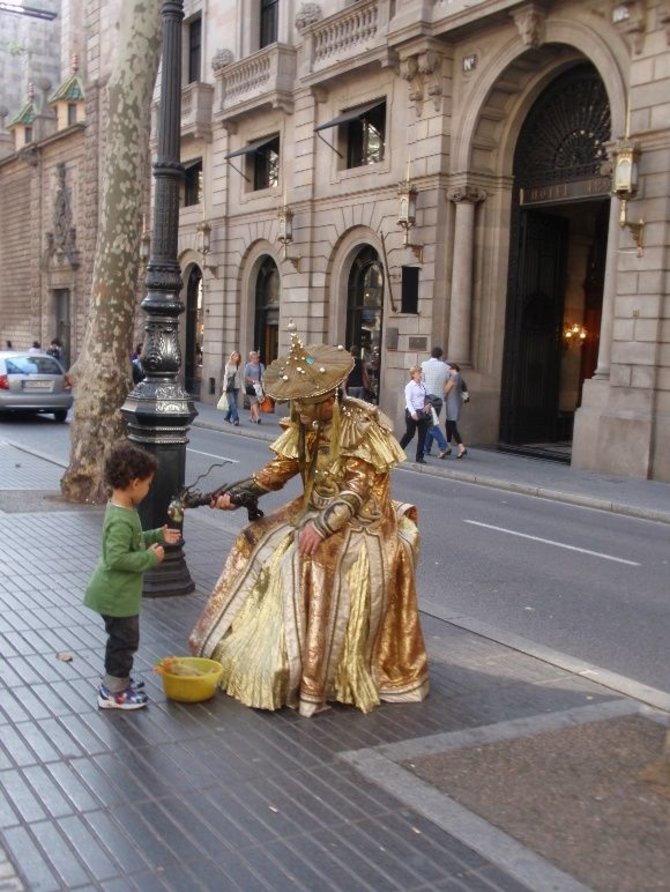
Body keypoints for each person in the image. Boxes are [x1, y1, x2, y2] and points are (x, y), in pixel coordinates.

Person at [189, 324, 429, 717]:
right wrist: (236, 494)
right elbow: (276, 471)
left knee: (312, 562)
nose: (296, 411)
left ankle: (311, 675)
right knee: (253, 538)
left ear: (327, 396)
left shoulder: (361, 425)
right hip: (310, 508)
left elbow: (357, 489)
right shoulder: (303, 424)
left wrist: (321, 527)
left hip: (362, 523)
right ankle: (249, 646)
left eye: (303, 402)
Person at [83, 442, 180, 710]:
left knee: (123, 641)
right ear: (134, 483)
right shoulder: (120, 518)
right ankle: (113, 693)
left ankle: (119, 682)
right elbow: (116, 558)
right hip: (115, 596)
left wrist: (158, 535)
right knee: (124, 642)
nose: (149, 490)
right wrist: (151, 557)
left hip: (119, 594)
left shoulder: (123, 510)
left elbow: (134, 541)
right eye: (148, 484)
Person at [398, 365, 431, 464]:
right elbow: (408, 401)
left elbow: (429, 397)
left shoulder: (424, 385)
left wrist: (428, 405)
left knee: (423, 434)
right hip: (411, 412)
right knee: (410, 434)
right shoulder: (410, 386)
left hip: (422, 413)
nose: (420, 374)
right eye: (418, 373)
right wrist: (413, 413)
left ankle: (419, 457)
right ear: (413, 375)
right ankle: (398, 452)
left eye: (421, 372)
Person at [421, 347, 450, 455]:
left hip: (428, 398)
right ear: (441, 355)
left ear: (431, 354)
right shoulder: (446, 367)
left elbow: (421, 382)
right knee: (431, 422)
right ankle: (426, 448)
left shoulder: (424, 365)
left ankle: (443, 446)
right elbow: (447, 381)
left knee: (430, 424)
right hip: (439, 399)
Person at [444, 362, 468, 458]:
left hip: (452, 405)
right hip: (456, 404)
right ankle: (448, 445)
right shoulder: (460, 377)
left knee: (452, 426)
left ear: (452, 368)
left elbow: (445, 390)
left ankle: (461, 447)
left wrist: (443, 382)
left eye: (448, 369)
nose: (447, 371)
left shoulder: (453, 377)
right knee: (448, 425)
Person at [424, 394, 451, 459]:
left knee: (431, 426)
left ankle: (444, 447)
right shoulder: (420, 385)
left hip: (430, 403)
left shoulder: (413, 386)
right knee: (429, 426)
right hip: (436, 402)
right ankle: (426, 449)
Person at [243, 350, 265, 424]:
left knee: (257, 402)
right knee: (254, 402)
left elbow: (263, 375)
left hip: (259, 387)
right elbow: (245, 376)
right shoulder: (248, 366)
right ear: (251, 358)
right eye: (254, 358)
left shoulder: (261, 365)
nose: (256, 359)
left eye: (257, 358)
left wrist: (262, 380)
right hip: (251, 386)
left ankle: (251, 417)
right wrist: (253, 381)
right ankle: (257, 417)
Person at [222, 350, 242, 425]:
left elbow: (241, 377)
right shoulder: (228, 365)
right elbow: (225, 377)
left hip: (236, 387)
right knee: (233, 403)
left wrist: (243, 389)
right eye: (235, 356)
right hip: (229, 387)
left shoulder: (238, 365)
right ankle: (236, 419)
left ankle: (227, 417)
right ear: (232, 356)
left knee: (233, 404)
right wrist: (224, 387)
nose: (237, 357)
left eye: (238, 356)